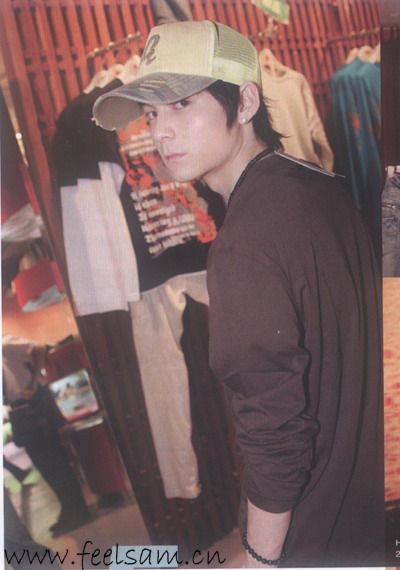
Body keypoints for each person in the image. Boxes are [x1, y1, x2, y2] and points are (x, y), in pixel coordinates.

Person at [92, 20, 385, 567]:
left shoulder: (242, 246)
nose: (160, 133)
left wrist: (258, 556)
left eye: (182, 104)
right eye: (151, 114)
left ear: (245, 102)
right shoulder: (317, 186)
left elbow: (274, 431)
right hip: (361, 514)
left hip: (312, 538)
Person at [2, 336, 89, 536]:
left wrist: (32, 384)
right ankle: (68, 509)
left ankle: (78, 510)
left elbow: (39, 348)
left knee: (55, 462)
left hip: (34, 405)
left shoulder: (6, 345)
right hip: (21, 409)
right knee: (45, 465)